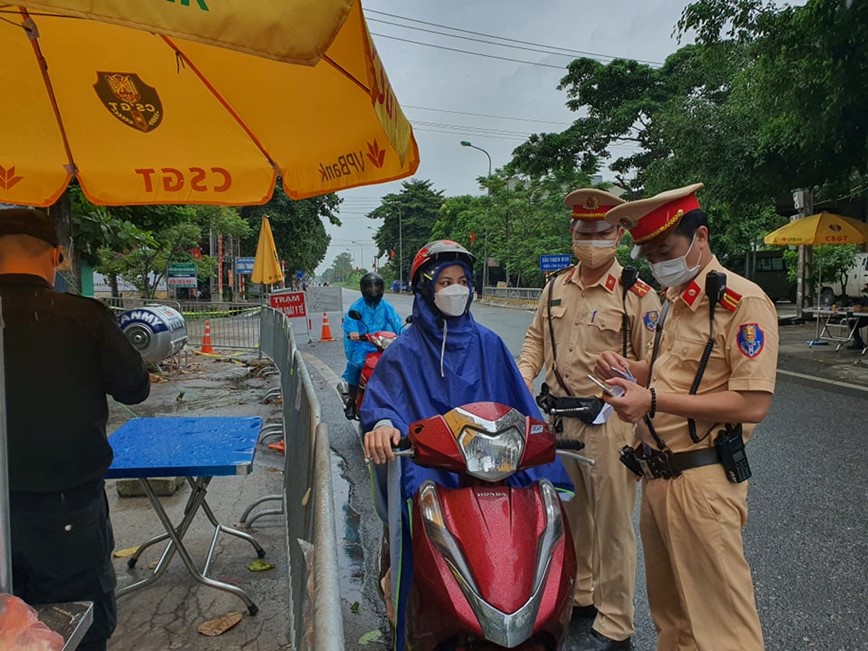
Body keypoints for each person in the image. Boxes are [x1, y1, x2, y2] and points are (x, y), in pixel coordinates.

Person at [360, 240, 573, 650]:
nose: (455, 290)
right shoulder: (405, 350)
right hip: (429, 471)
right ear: (426, 288)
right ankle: (410, 626)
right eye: (445, 282)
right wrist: (384, 425)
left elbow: (520, 404)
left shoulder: (489, 343)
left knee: (525, 538)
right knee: (413, 540)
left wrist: (541, 435)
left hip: (494, 470)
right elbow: (384, 402)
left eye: (461, 281)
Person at [593, 184, 778, 651]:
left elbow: (752, 403)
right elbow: (667, 374)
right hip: (657, 478)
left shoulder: (741, 301)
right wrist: (626, 371)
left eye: (666, 250)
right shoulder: (675, 299)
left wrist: (651, 401)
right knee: (672, 622)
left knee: (722, 630)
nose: (658, 263)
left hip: (703, 480)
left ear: (701, 238)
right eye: (651, 254)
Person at [0, 207, 151, 651]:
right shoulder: (83, 317)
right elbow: (135, 388)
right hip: (65, 510)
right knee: (78, 625)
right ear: (57, 256)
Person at [518, 189, 661, 651]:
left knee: (614, 526)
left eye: (601, 233)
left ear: (618, 235)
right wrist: (520, 381)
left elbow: (659, 363)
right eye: (584, 232)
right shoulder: (555, 287)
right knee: (571, 516)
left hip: (610, 422)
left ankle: (616, 624)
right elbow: (536, 343)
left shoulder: (637, 293)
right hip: (560, 420)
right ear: (573, 233)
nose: (591, 240)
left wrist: (628, 387)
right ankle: (582, 597)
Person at [340, 271, 403, 419]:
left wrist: (404, 335)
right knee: (356, 365)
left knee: (399, 364)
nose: (373, 290)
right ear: (363, 289)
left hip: (381, 344)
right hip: (362, 344)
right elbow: (350, 323)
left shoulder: (386, 306)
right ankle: (351, 400)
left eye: (377, 287)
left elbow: (396, 322)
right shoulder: (357, 306)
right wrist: (353, 333)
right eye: (369, 287)